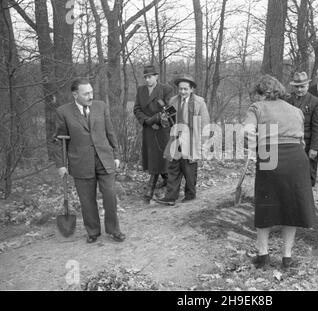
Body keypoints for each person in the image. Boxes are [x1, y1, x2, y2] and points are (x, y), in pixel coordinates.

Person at [244, 75, 316, 269]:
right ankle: (287, 257)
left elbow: (248, 132)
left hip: (270, 155)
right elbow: (302, 140)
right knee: (291, 207)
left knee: (266, 204)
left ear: (261, 93)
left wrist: (252, 149)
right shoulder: (296, 110)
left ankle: (263, 255)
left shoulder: (257, 108)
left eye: (257, 94)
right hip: (297, 158)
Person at [53, 78, 125, 243]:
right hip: (80, 162)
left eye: (91, 92)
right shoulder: (63, 112)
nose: (90, 96)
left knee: (110, 195)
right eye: (86, 93)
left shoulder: (100, 106)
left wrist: (116, 154)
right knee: (87, 200)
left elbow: (110, 131)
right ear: (75, 94)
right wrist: (61, 165)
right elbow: (58, 140)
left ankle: (114, 230)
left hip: (104, 158)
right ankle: (93, 231)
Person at [155, 74, 210, 206]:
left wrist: (204, 142)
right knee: (173, 168)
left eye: (186, 89)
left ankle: (190, 195)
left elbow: (205, 123)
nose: (183, 92)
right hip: (176, 139)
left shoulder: (199, 102)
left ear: (192, 89)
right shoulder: (173, 100)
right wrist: (164, 118)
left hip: (192, 139)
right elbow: (168, 121)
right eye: (180, 89)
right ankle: (170, 197)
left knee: (189, 169)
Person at [133, 65, 173, 202]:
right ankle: (170, 182)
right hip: (149, 129)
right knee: (153, 157)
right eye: (145, 77)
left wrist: (154, 119)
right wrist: (147, 121)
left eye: (150, 76)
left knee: (161, 157)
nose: (147, 79)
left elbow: (168, 109)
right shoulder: (141, 90)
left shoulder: (166, 89)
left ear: (156, 76)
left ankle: (151, 189)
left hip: (162, 129)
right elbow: (137, 109)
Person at [287, 72, 318, 187]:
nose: (299, 89)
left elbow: (317, 127)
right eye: (297, 87)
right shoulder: (287, 100)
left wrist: (314, 148)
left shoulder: (316, 102)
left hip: (307, 142)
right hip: (291, 141)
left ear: (308, 85)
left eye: (302, 86)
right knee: (292, 172)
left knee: (309, 175)